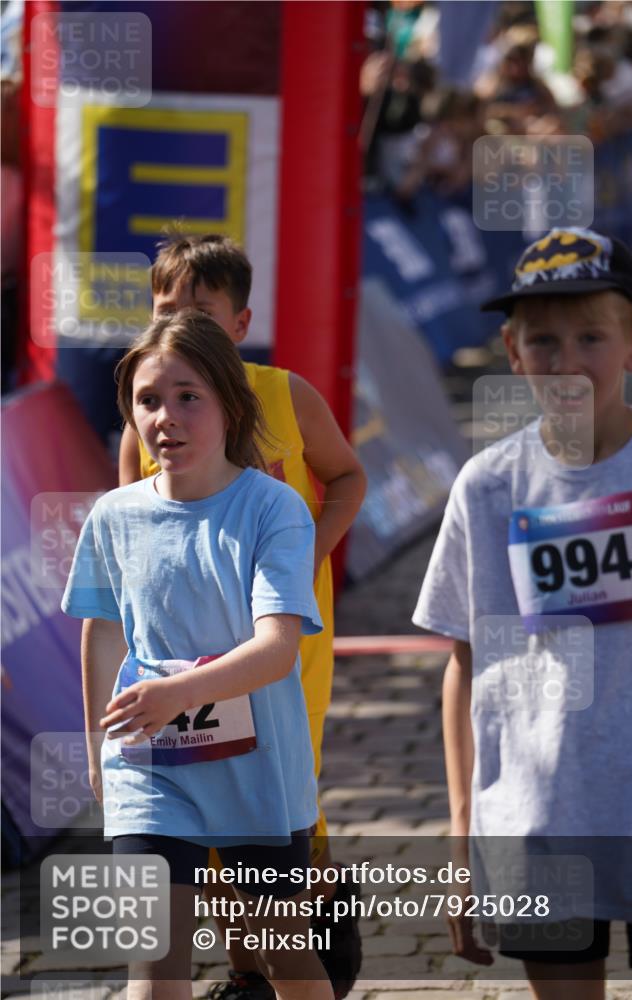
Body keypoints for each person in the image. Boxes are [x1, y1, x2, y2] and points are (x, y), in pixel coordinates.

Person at [413, 227, 632, 1000]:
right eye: (542, 340)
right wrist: (462, 844)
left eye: (590, 337)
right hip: (539, 816)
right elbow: (465, 665)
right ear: (511, 351)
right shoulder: (487, 487)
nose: (564, 361)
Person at [118, 234, 367, 1000]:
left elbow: (347, 475)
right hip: (186, 665)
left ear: (240, 319)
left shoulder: (285, 395)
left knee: (279, 809)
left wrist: (304, 558)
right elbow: (130, 541)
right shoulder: (148, 418)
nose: (182, 324)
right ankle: (244, 973)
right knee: (203, 814)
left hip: (281, 649)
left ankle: (316, 916)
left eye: (202, 310)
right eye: (167, 310)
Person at [62, 309, 335, 1000]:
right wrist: (99, 750)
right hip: (148, 771)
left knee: (282, 959)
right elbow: (104, 631)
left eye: (189, 396)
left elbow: (275, 650)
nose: (166, 417)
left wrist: (176, 696)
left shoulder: (274, 509)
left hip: (258, 774)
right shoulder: (112, 515)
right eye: (148, 400)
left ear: (230, 405)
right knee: (154, 967)